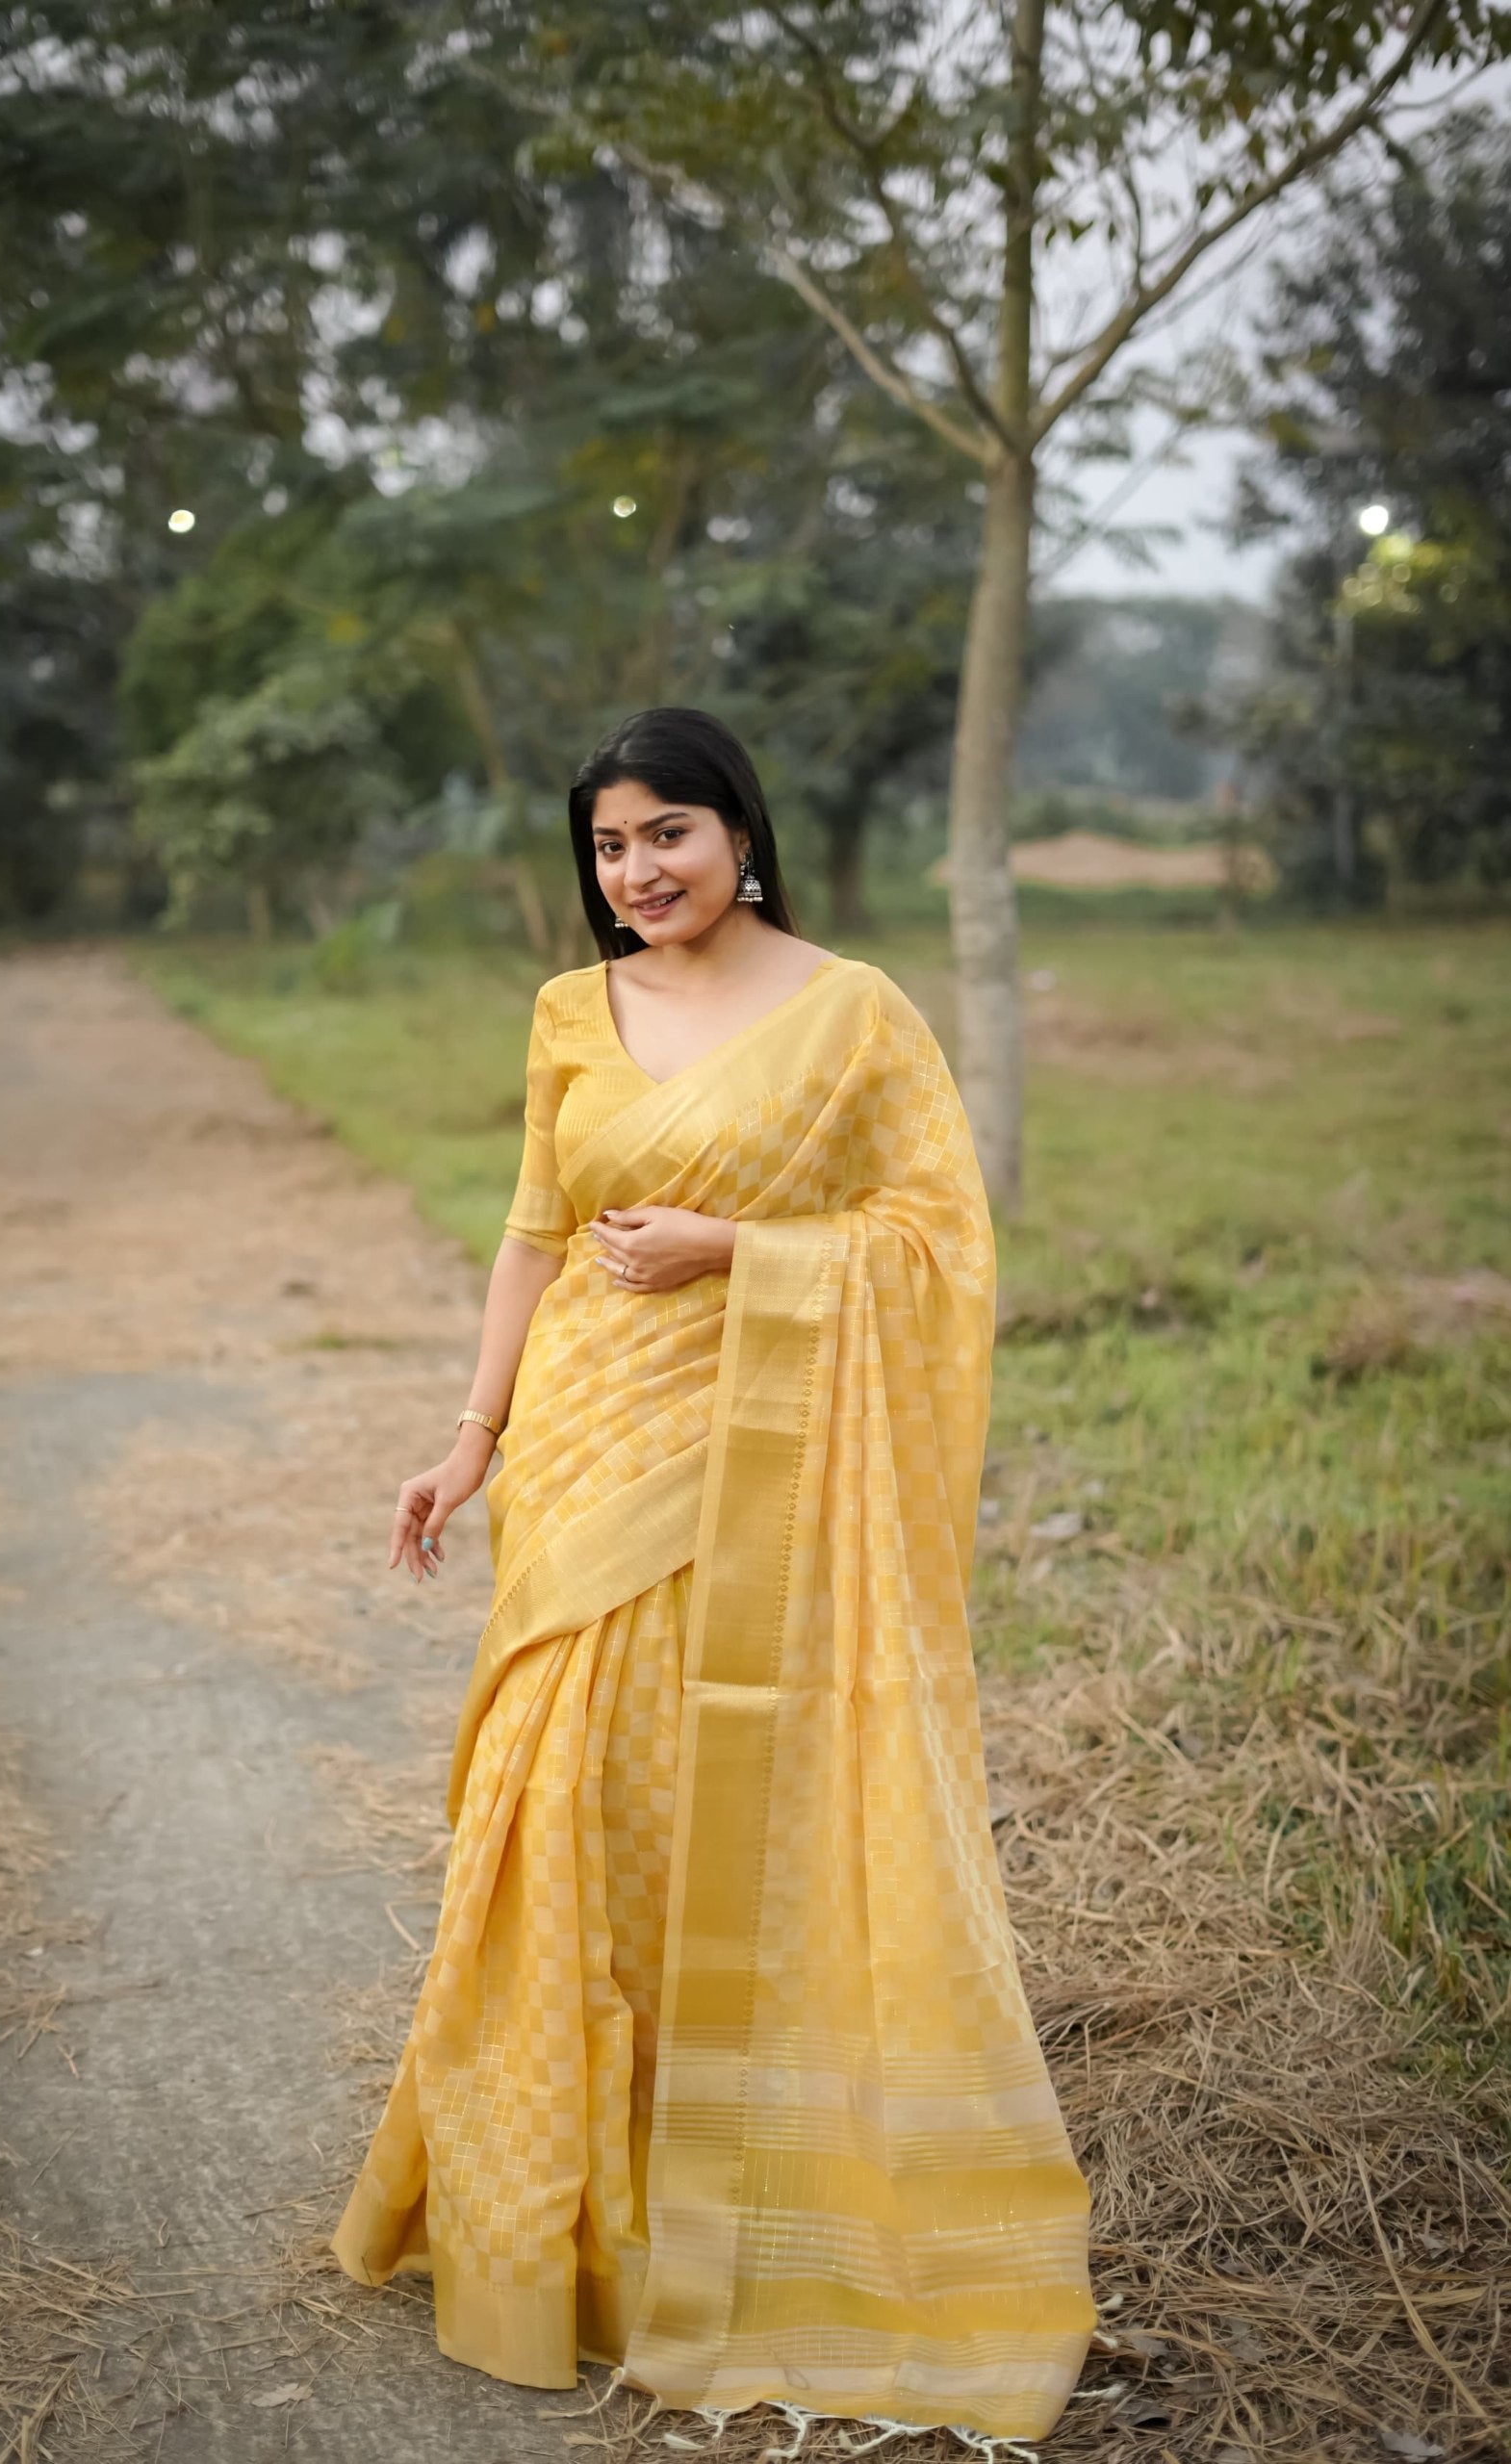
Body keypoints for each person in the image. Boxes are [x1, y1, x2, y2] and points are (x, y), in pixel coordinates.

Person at [331, 707, 1093, 2437]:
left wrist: (738, 1248)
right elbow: (534, 1233)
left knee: (697, 1797)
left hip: (754, 1460)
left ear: (740, 832)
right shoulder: (568, 1010)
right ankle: (550, 2223)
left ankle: (725, 2204)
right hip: (585, 1445)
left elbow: (937, 1244)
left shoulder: (852, 1013)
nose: (636, 871)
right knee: (553, 1794)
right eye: (608, 846)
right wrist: (471, 1437)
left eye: (666, 832)